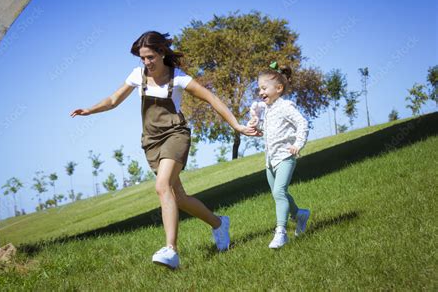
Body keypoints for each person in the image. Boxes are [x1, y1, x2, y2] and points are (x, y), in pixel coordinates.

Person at [71, 31, 256, 269]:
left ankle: (171, 251)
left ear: (161, 52)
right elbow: (114, 100)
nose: (146, 62)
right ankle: (219, 223)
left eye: (150, 57)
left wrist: (236, 125)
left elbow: (211, 98)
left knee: (162, 186)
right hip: (151, 141)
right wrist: (90, 110)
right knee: (178, 197)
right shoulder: (138, 76)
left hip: (175, 135)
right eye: (142, 58)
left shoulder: (178, 78)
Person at [247, 61, 310, 249]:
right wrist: (256, 125)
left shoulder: (285, 106)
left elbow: (303, 123)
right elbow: (267, 129)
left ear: (279, 88)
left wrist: (298, 144)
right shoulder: (268, 109)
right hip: (270, 160)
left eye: (264, 88)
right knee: (278, 194)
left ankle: (281, 232)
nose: (260, 92)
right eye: (259, 88)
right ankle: (300, 214)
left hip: (285, 157)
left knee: (279, 192)